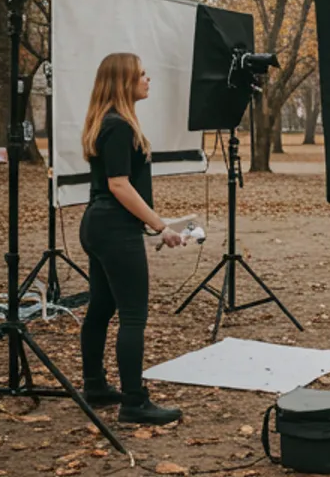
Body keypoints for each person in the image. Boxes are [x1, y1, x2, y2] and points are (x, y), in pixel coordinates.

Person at [78, 52, 184, 425]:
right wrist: (160, 226)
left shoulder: (105, 122)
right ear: (124, 81)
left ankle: (95, 386)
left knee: (101, 309)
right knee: (133, 315)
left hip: (98, 225)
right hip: (113, 229)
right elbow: (119, 184)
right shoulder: (119, 126)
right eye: (141, 75)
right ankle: (134, 402)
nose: (147, 79)